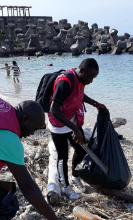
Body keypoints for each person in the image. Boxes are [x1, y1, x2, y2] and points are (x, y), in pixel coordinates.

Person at [48, 58, 107, 199]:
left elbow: (79, 95)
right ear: (81, 71)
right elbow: (54, 109)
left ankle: (74, 177)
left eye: (93, 78)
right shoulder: (64, 82)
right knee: (62, 157)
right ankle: (65, 188)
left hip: (71, 119)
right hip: (59, 124)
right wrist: (75, 129)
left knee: (81, 149)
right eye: (90, 78)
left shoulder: (80, 79)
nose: (91, 81)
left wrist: (95, 103)